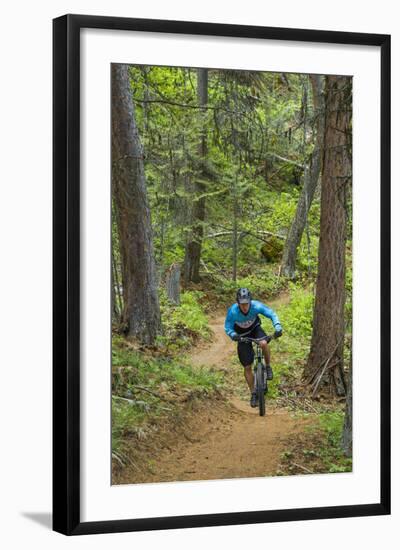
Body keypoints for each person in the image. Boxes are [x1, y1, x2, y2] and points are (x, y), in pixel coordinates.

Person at [224, 287, 283, 408]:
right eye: (242, 304)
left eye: (246, 303)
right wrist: (233, 335)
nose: (244, 306)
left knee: (264, 343)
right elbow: (227, 327)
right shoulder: (233, 311)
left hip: (255, 329)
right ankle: (253, 394)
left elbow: (271, 314)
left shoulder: (256, 306)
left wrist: (277, 327)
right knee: (247, 366)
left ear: (250, 301)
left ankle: (267, 366)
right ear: (238, 303)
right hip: (241, 336)